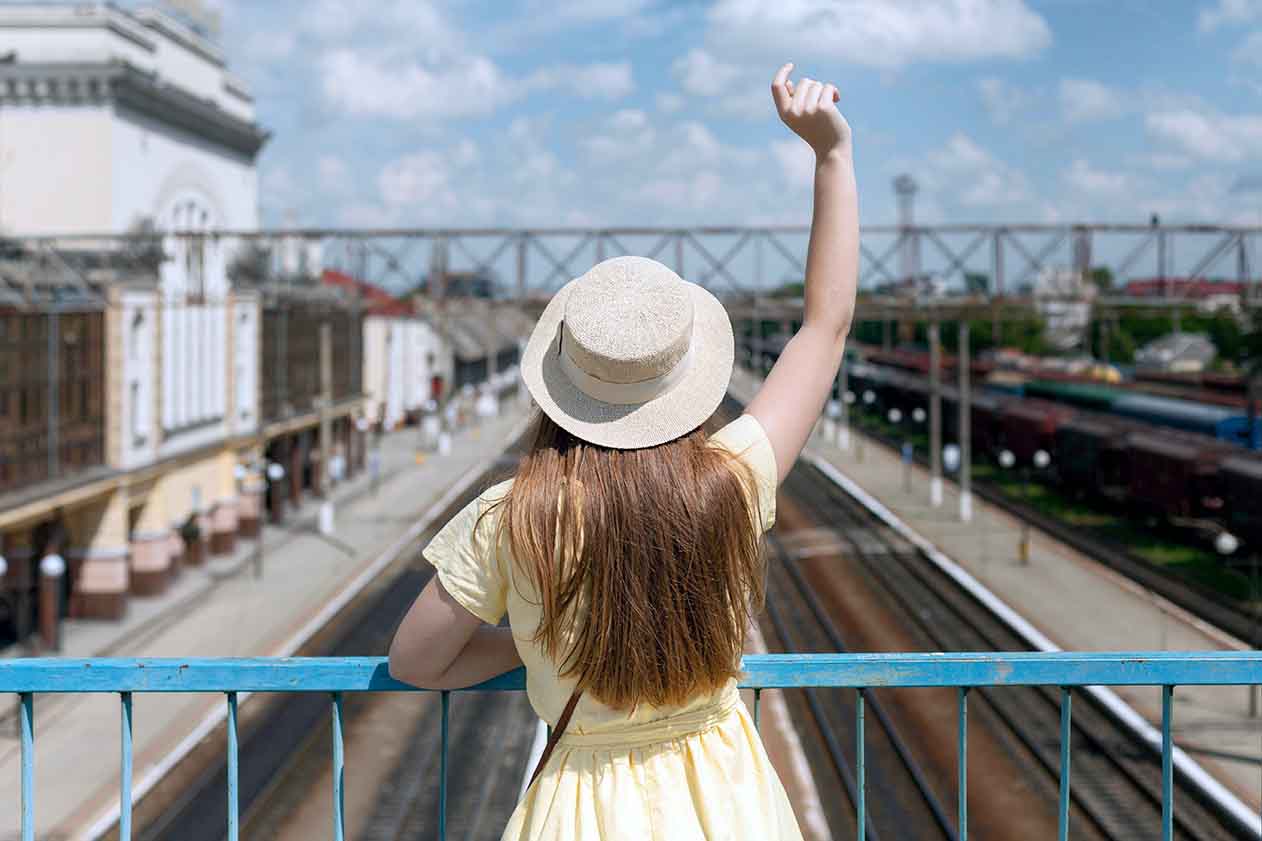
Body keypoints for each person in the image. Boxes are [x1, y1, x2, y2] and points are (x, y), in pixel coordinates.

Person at [388, 62, 858, 841]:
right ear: (685, 378)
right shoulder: (733, 480)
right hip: (729, 802)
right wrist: (832, 156)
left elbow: (415, 662)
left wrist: (535, 648)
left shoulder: (512, 517)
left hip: (581, 811)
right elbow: (826, 325)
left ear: (565, 381)